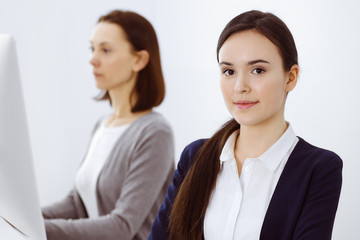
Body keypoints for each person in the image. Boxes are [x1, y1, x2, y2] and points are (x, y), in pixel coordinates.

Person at [148, 10, 342, 240]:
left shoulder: (319, 169)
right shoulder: (195, 157)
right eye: (229, 71)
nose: (240, 86)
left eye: (257, 70)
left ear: (291, 77)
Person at [42, 10, 174, 240]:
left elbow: (122, 226)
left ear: (139, 60)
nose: (93, 59)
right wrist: (24, 218)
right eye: (92, 49)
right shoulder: (102, 126)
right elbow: (77, 202)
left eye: (106, 50)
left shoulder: (155, 133)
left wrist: (37, 228)